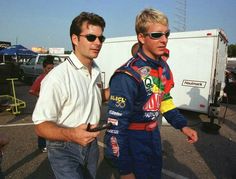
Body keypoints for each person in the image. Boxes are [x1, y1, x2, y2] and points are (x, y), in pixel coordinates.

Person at [104, 8, 198, 179]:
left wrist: (182, 125)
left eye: (166, 34)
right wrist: (125, 170)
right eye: (156, 35)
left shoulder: (163, 68)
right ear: (141, 37)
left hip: (153, 137)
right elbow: (115, 127)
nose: (164, 40)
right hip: (133, 141)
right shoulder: (127, 75)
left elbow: (164, 99)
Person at [32, 12, 108, 179]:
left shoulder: (95, 70)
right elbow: (40, 125)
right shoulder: (57, 77)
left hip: (91, 144)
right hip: (64, 147)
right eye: (91, 37)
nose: (97, 43)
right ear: (75, 39)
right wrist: (72, 134)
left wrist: (114, 91)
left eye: (100, 38)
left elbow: (90, 97)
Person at [29, 56, 54, 152]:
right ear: (44, 68)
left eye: (52, 68)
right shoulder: (40, 78)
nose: (51, 70)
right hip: (42, 107)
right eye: (48, 68)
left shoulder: (55, 77)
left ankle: (52, 144)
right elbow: (31, 91)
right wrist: (41, 96)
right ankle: (42, 145)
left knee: (52, 125)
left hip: (52, 107)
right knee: (42, 125)